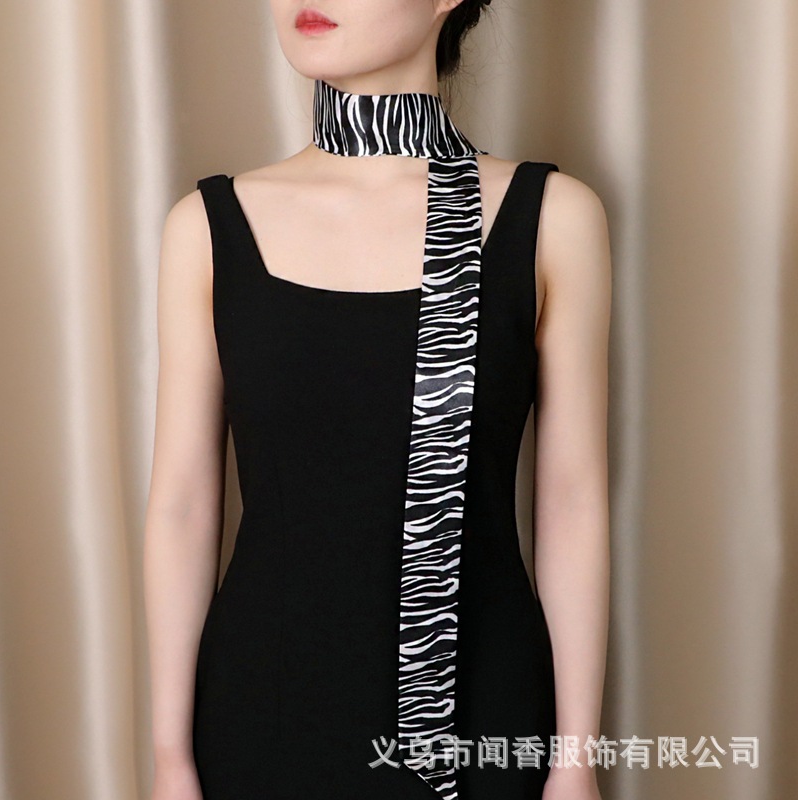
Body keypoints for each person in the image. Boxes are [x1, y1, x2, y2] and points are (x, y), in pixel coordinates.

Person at [144, 2, 611, 799]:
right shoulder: (208, 226)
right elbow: (183, 504)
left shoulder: (552, 217)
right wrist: (168, 758)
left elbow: (571, 501)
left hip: (479, 721)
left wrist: (575, 763)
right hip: (261, 717)